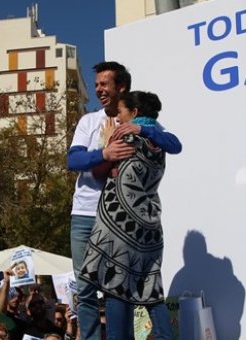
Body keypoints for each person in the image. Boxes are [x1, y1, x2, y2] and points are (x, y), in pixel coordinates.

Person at [67, 61, 180, 340]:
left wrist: (141, 131)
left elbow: (172, 143)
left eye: (104, 84)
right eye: (95, 85)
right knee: (85, 287)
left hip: (121, 218)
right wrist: (105, 153)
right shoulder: (89, 121)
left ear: (122, 87)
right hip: (85, 212)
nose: (98, 90)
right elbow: (74, 160)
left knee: (120, 286)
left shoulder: (135, 123)